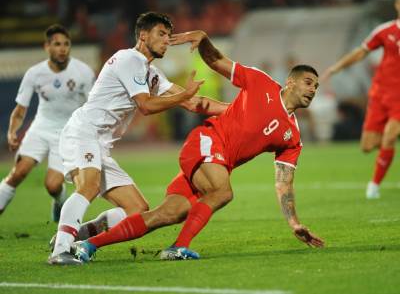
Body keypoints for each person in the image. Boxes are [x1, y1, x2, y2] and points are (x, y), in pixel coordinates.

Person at [74, 30, 324, 264]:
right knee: (223, 192)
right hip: (206, 141)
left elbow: (284, 183)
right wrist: (203, 39)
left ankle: (87, 246)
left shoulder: (292, 137)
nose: (312, 89)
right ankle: (178, 247)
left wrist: (294, 224)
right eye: (308, 82)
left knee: (166, 215)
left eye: (316, 86)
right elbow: (217, 60)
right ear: (290, 82)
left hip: (213, 163)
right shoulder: (261, 83)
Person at [48, 13, 228, 265]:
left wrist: (239, 109)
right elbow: (145, 105)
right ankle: (60, 251)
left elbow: (194, 102)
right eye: (161, 34)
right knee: (87, 187)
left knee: (137, 210)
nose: (167, 41)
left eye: (168, 35)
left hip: (100, 144)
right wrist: (183, 95)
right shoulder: (129, 59)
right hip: (83, 132)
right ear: (143, 35)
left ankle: (76, 233)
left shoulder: (151, 73)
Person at [0, 24, 95, 222]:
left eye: (66, 44)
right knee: (19, 172)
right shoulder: (35, 73)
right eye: (57, 44)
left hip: (67, 133)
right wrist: (11, 132)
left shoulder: (83, 72)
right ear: (47, 47)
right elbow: (20, 110)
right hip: (41, 127)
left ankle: (59, 203)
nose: (62, 48)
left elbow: (93, 106)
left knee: (52, 185)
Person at [321, 0, 400, 199]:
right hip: (380, 94)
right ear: (397, 5)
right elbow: (361, 52)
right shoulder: (385, 30)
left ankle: (373, 186)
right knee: (367, 146)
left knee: (390, 136)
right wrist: (337, 67)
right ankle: (389, 143)